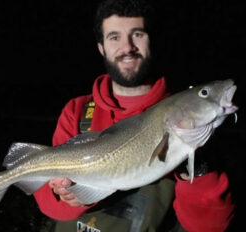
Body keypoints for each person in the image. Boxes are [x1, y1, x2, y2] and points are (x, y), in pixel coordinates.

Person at [33, 0, 234, 231]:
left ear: (151, 41)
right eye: (114, 37)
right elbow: (49, 206)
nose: (127, 47)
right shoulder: (77, 111)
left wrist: (199, 165)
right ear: (101, 47)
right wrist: (68, 196)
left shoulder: (193, 122)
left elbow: (209, 226)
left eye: (137, 34)